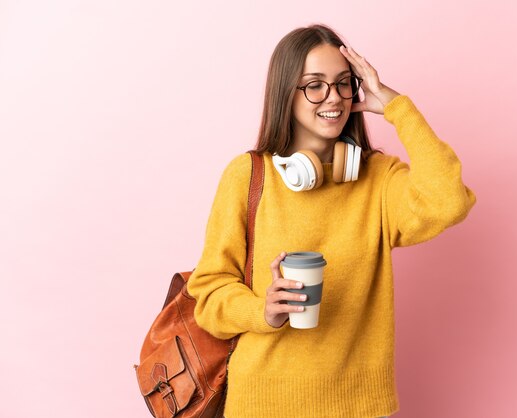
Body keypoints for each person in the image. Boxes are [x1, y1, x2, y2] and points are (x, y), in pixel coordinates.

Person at [187, 24, 477, 418]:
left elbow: (449, 202)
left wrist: (397, 107)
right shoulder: (248, 176)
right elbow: (208, 293)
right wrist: (263, 309)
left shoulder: (378, 178)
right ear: (284, 94)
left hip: (358, 407)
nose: (334, 98)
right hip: (262, 403)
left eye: (344, 84)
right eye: (314, 85)